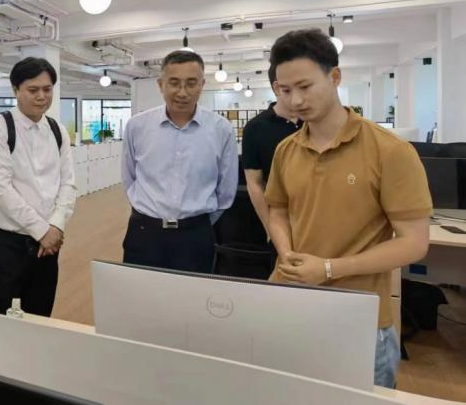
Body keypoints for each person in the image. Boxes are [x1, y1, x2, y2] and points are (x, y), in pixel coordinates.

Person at [264, 29, 431, 389]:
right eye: (284, 90)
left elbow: (414, 243)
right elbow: (278, 211)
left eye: (305, 86)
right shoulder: (285, 150)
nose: (295, 100)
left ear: (335, 76)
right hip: (291, 305)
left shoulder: (390, 151)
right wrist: (287, 253)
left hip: (358, 319)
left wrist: (328, 269)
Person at [122, 50, 238, 273]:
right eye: (174, 83)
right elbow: (129, 178)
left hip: (196, 235)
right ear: (161, 84)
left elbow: (226, 191)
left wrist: (196, 223)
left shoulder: (221, 130)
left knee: (193, 295)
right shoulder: (137, 126)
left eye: (191, 83)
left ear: (202, 85)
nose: (182, 92)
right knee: (139, 293)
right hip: (144, 232)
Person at [0, 57, 76, 317]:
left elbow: (68, 183)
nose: (41, 96)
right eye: (33, 90)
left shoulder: (57, 130)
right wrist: (42, 230)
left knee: (40, 312)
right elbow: (1, 190)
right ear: (16, 90)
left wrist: (56, 226)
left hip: (48, 243)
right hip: (5, 242)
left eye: (47, 89)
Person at [241, 63, 301, 261]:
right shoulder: (256, 128)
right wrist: (270, 228)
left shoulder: (314, 122)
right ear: (277, 87)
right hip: (280, 219)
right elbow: (254, 183)